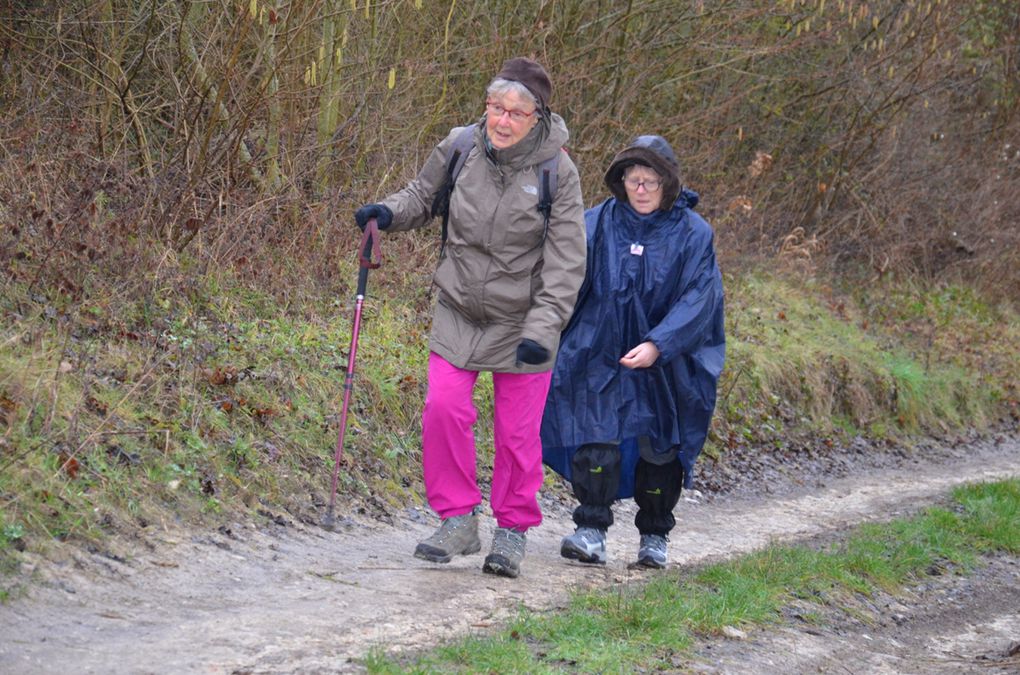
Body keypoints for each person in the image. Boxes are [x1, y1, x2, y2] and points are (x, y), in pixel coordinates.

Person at [353, 58, 586, 578]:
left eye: (516, 113)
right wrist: (387, 213)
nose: (502, 121)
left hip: (524, 322)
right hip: (459, 307)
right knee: (444, 409)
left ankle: (512, 530)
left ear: (538, 117)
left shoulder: (557, 172)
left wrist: (543, 329)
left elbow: (567, 261)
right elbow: (422, 195)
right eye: (495, 108)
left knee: (517, 434)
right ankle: (458, 519)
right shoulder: (461, 146)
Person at [540, 135, 725, 569]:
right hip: (598, 349)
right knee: (595, 437)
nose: (640, 189)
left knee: (658, 450)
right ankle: (591, 528)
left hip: (668, 362)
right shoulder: (597, 223)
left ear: (669, 184)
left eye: (650, 181)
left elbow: (700, 298)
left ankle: (655, 535)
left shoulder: (693, 234)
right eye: (633, 180)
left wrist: (659, 343)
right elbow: (563, 271)